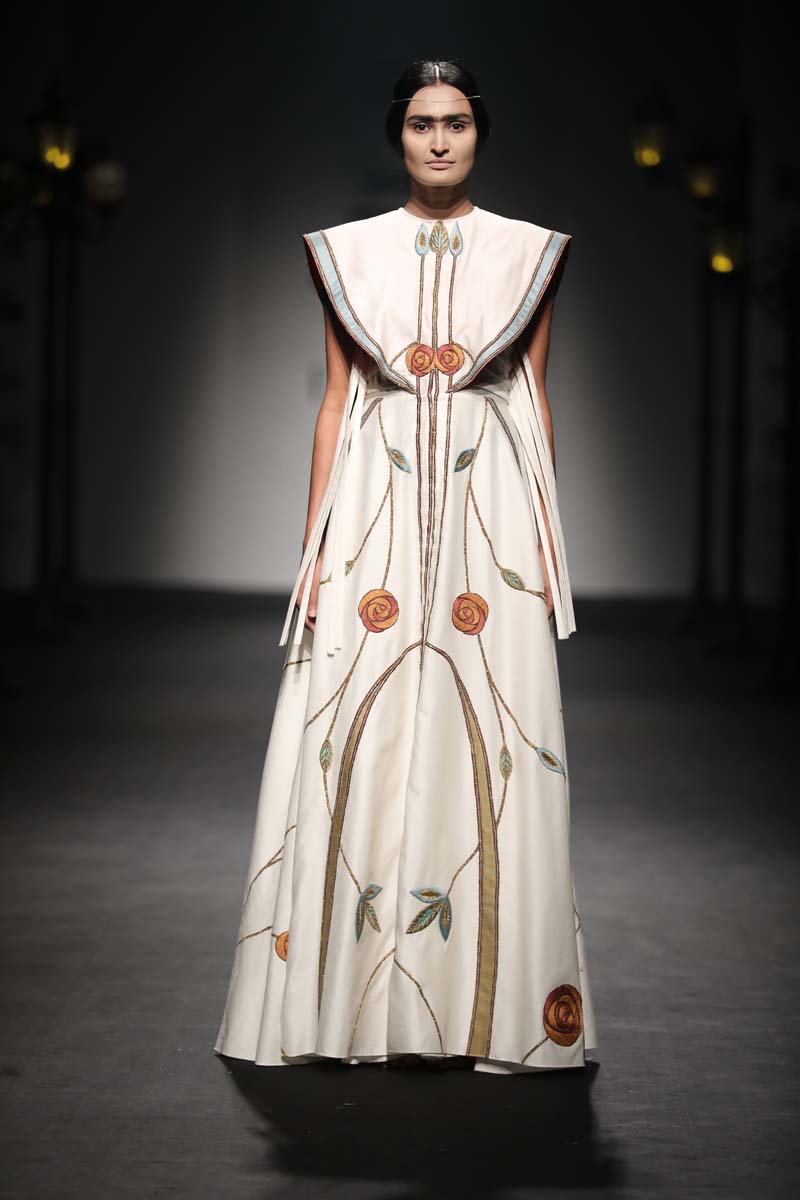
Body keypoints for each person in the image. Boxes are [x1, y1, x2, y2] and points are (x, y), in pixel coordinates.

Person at [213, 58, 597, 1074]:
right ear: (398, 135)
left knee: (495, 735)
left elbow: (533, 398)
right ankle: (341, 1008)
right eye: (422, 122)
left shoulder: (525, 252)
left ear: (479, 134)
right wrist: (313, 547)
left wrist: (543, 539)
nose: (438, 139)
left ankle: (494, 1011)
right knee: (356, 728)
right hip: (372, 509)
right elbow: (336, 400)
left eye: (456, 123)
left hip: (487, 511)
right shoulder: (349, 254)